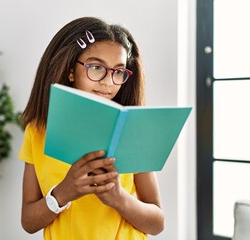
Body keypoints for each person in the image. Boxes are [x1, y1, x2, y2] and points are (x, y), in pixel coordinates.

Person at [18, 16, 164, 240]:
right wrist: (62, 193)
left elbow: (156, 224)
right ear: (70, 70)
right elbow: (28, 222)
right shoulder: (38, 132)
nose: (108, 82)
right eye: (96, 67)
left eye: (118, 71)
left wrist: (118, 197)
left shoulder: (133, 130)